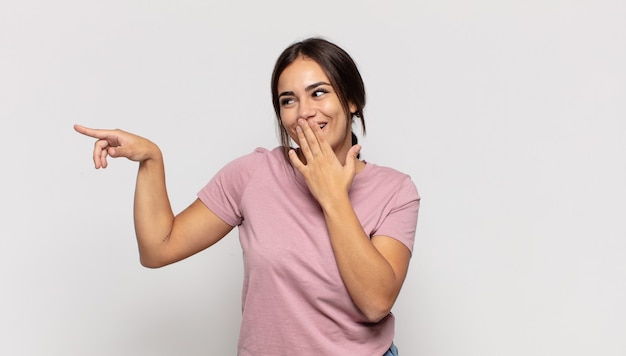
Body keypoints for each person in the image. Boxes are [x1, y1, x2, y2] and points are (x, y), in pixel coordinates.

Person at [75, 37, 420, 356]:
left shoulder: (395, 191)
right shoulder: (253, 174)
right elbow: (158, 248)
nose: (304, 112)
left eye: (318, 93)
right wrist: (152, 159)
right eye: (289, 100)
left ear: (351, 100)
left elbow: (376, 302)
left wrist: (331, 195)